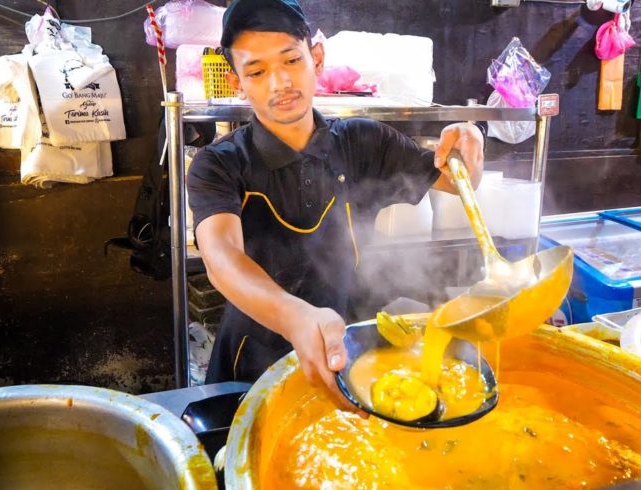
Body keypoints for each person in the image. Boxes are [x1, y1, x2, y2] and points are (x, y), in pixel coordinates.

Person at [187, 0, 484, 409]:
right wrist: (296, 317)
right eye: (256, 71)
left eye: (291, 60)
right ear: (237, 79)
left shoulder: (364, 141)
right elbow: (222, 260)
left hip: (353, 350)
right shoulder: (219, 164)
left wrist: (469, 137)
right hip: (252, 365)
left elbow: (456, 180)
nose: (278, 83)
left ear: (317, 58)